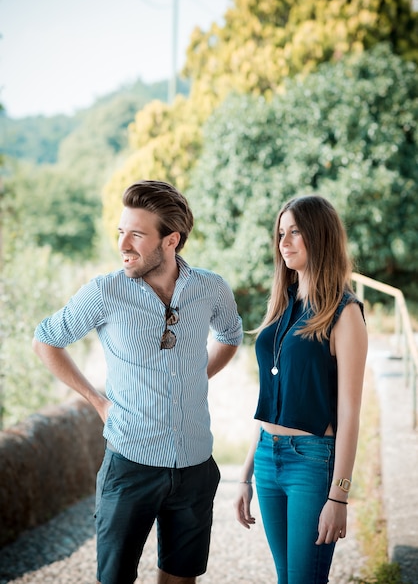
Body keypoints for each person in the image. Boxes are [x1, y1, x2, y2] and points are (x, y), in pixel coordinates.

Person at [32, 180, 243, 584]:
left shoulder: (210, 288)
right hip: (129, 464)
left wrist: (195, 378)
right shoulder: (104, 292)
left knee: (181, 579)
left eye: (137, 234)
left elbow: (231, 336)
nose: (123, 244)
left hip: (196, 464)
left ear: (171, 240)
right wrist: (97, 401)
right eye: (120, 232)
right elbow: (46, 340)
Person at [234, 195, 367, 584]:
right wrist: (245, 475)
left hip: (312, 461)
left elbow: (349, 412)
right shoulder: (282, 306)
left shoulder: (345, 312)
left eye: (295, 232)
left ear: (319, 236)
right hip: (266, 459)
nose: (284, 242)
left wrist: (339, 495)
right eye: (280, 233)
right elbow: (271, 401)